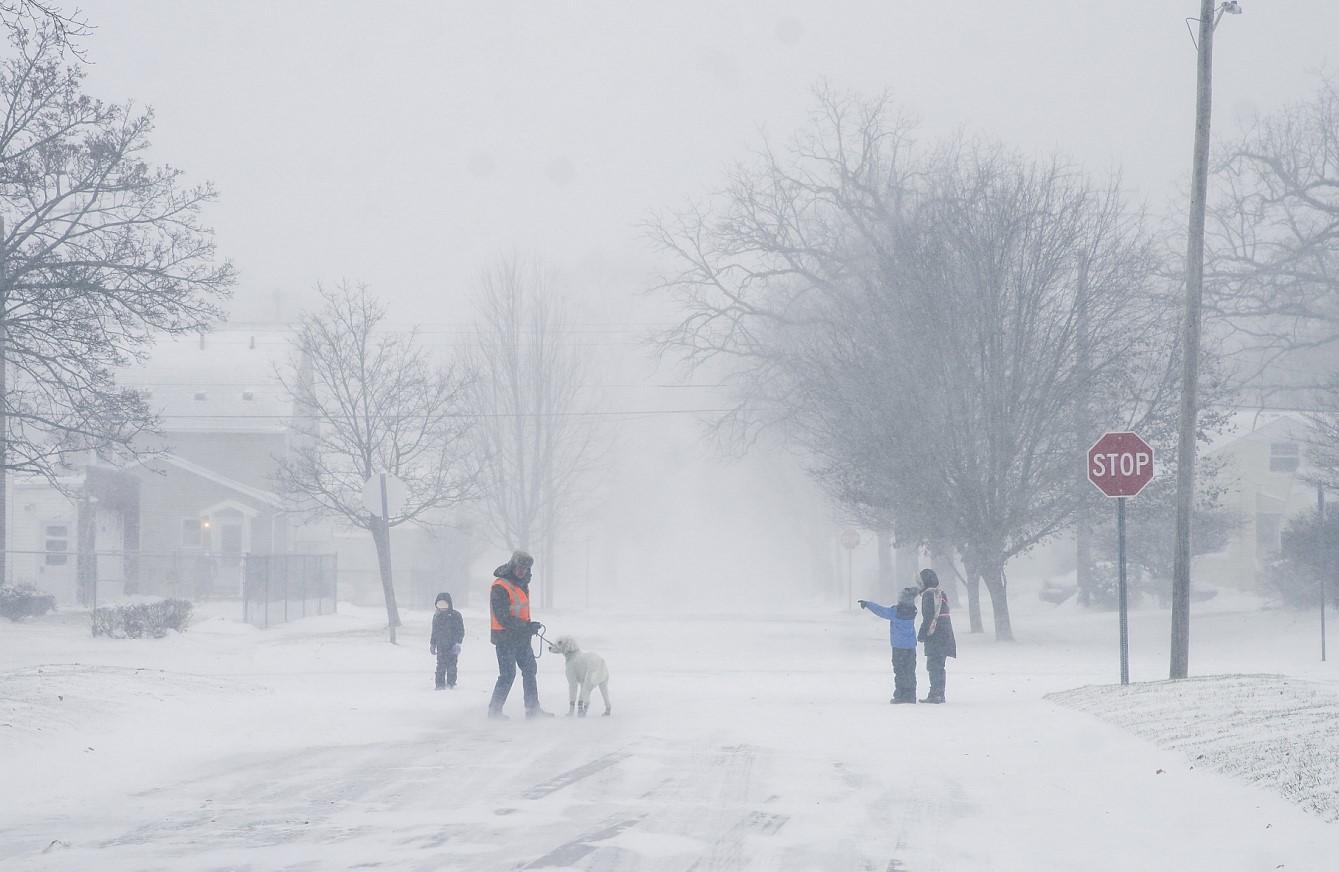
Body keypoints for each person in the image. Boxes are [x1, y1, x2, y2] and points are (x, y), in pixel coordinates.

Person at [487, 550, 553, 719]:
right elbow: (503, 617)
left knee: (530, 670)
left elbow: (519, 611)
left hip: (521, 638)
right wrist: (526, 626)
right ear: (512, 566)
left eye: (525, 569)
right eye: (519, 568)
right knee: (508, 674)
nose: (522, 571)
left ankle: (533, 709)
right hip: (504, 638)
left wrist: (528, 626)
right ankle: (494, 711)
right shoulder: (500, 586)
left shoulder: (521, 584)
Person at [857, 586, 920, 704]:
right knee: (910, 671)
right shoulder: (913, 611)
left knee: (900, 671)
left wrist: (868, 604)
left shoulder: (895, 612)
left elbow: (881, 611)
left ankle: (900, 695)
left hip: (898, 647)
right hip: (911, 646)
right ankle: (911, 695)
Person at [917, 568, 957, 703]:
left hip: (936, 634)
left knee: (934, 665)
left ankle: (935, 694)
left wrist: (922, 633)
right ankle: (939, 693)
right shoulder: (940, 593)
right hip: (945, 633)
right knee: (939, 664)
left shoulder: (928, 595)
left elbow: (928, 616)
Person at [429, 592, 464, 690]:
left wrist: (458, 643)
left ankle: (451, 683)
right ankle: (439, 684)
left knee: (452, 665)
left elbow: (460, 630)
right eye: (439, 605)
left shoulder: (456, 616)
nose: (442, 608)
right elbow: (434, 631)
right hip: (441, 645)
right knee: (440, 665)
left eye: (444, 604)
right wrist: (433, 643)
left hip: (452, 646)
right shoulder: (437, 617)